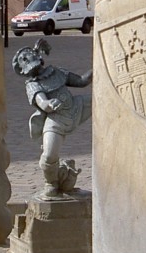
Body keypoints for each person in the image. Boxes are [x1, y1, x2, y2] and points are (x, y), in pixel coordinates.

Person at [11, 39, 92, 197]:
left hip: (76, 107)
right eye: (23, 60)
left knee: (100, 100)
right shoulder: (32, 85)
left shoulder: (57, 72)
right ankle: (51, 183)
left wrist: (98, 68)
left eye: (27, 55)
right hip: (56, 120)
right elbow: (42, 102)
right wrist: (49, 104)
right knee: (48, 156)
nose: (27, 59)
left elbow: (82, 81)